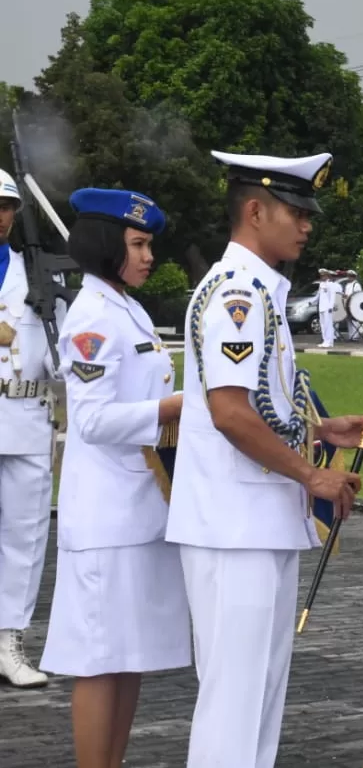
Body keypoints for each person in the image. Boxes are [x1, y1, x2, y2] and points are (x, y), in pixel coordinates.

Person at [165, 150, 363, 768]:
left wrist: (321, 428)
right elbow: (229, 412)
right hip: (235, 527)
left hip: (255, 521)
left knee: (256, 704)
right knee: (234, 709)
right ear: (256, 211)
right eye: (296, 211)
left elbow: (259, 402)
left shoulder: (258, 291)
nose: (308, 224)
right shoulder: (238, 293)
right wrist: (312, 474)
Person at [38, 188, 190, 767]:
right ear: (106, 246)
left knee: (129, 658)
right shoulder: (94, 317)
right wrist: (174, 409)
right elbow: (94, 420)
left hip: (139, 506)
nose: (150, 256)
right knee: (100, 661)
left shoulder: (128, 306)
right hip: (105, 514)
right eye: (138, 244)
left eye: (149, 243)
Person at [0, 166, 56, 688]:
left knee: (25, 535)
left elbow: (63, 358)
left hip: (25, 417)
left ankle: (9, 640)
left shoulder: (37, 274)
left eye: (4, 207)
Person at [316, 268, 337, 348]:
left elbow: (332, 296)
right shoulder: (321, 284)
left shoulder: (330, 284)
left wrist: (331, 306)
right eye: (321, 275)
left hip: (327, 307)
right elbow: (318, 295)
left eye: (324, 275)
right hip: (321, 307)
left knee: (328, 325)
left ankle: (329, 342)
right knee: (323, 325)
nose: (322, 277)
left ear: (327, 276)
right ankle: (325, 340)